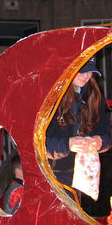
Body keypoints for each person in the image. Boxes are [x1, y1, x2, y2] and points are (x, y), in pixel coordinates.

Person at [46, 57, 111, 198]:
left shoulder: (93, 94)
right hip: (49, 174)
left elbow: (106, 132)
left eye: (90, 71)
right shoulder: (49, 96)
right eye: (80, 71)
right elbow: (34, 142)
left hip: (80, 174)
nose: (86, 76)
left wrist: (100, 141)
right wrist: (67, 144)